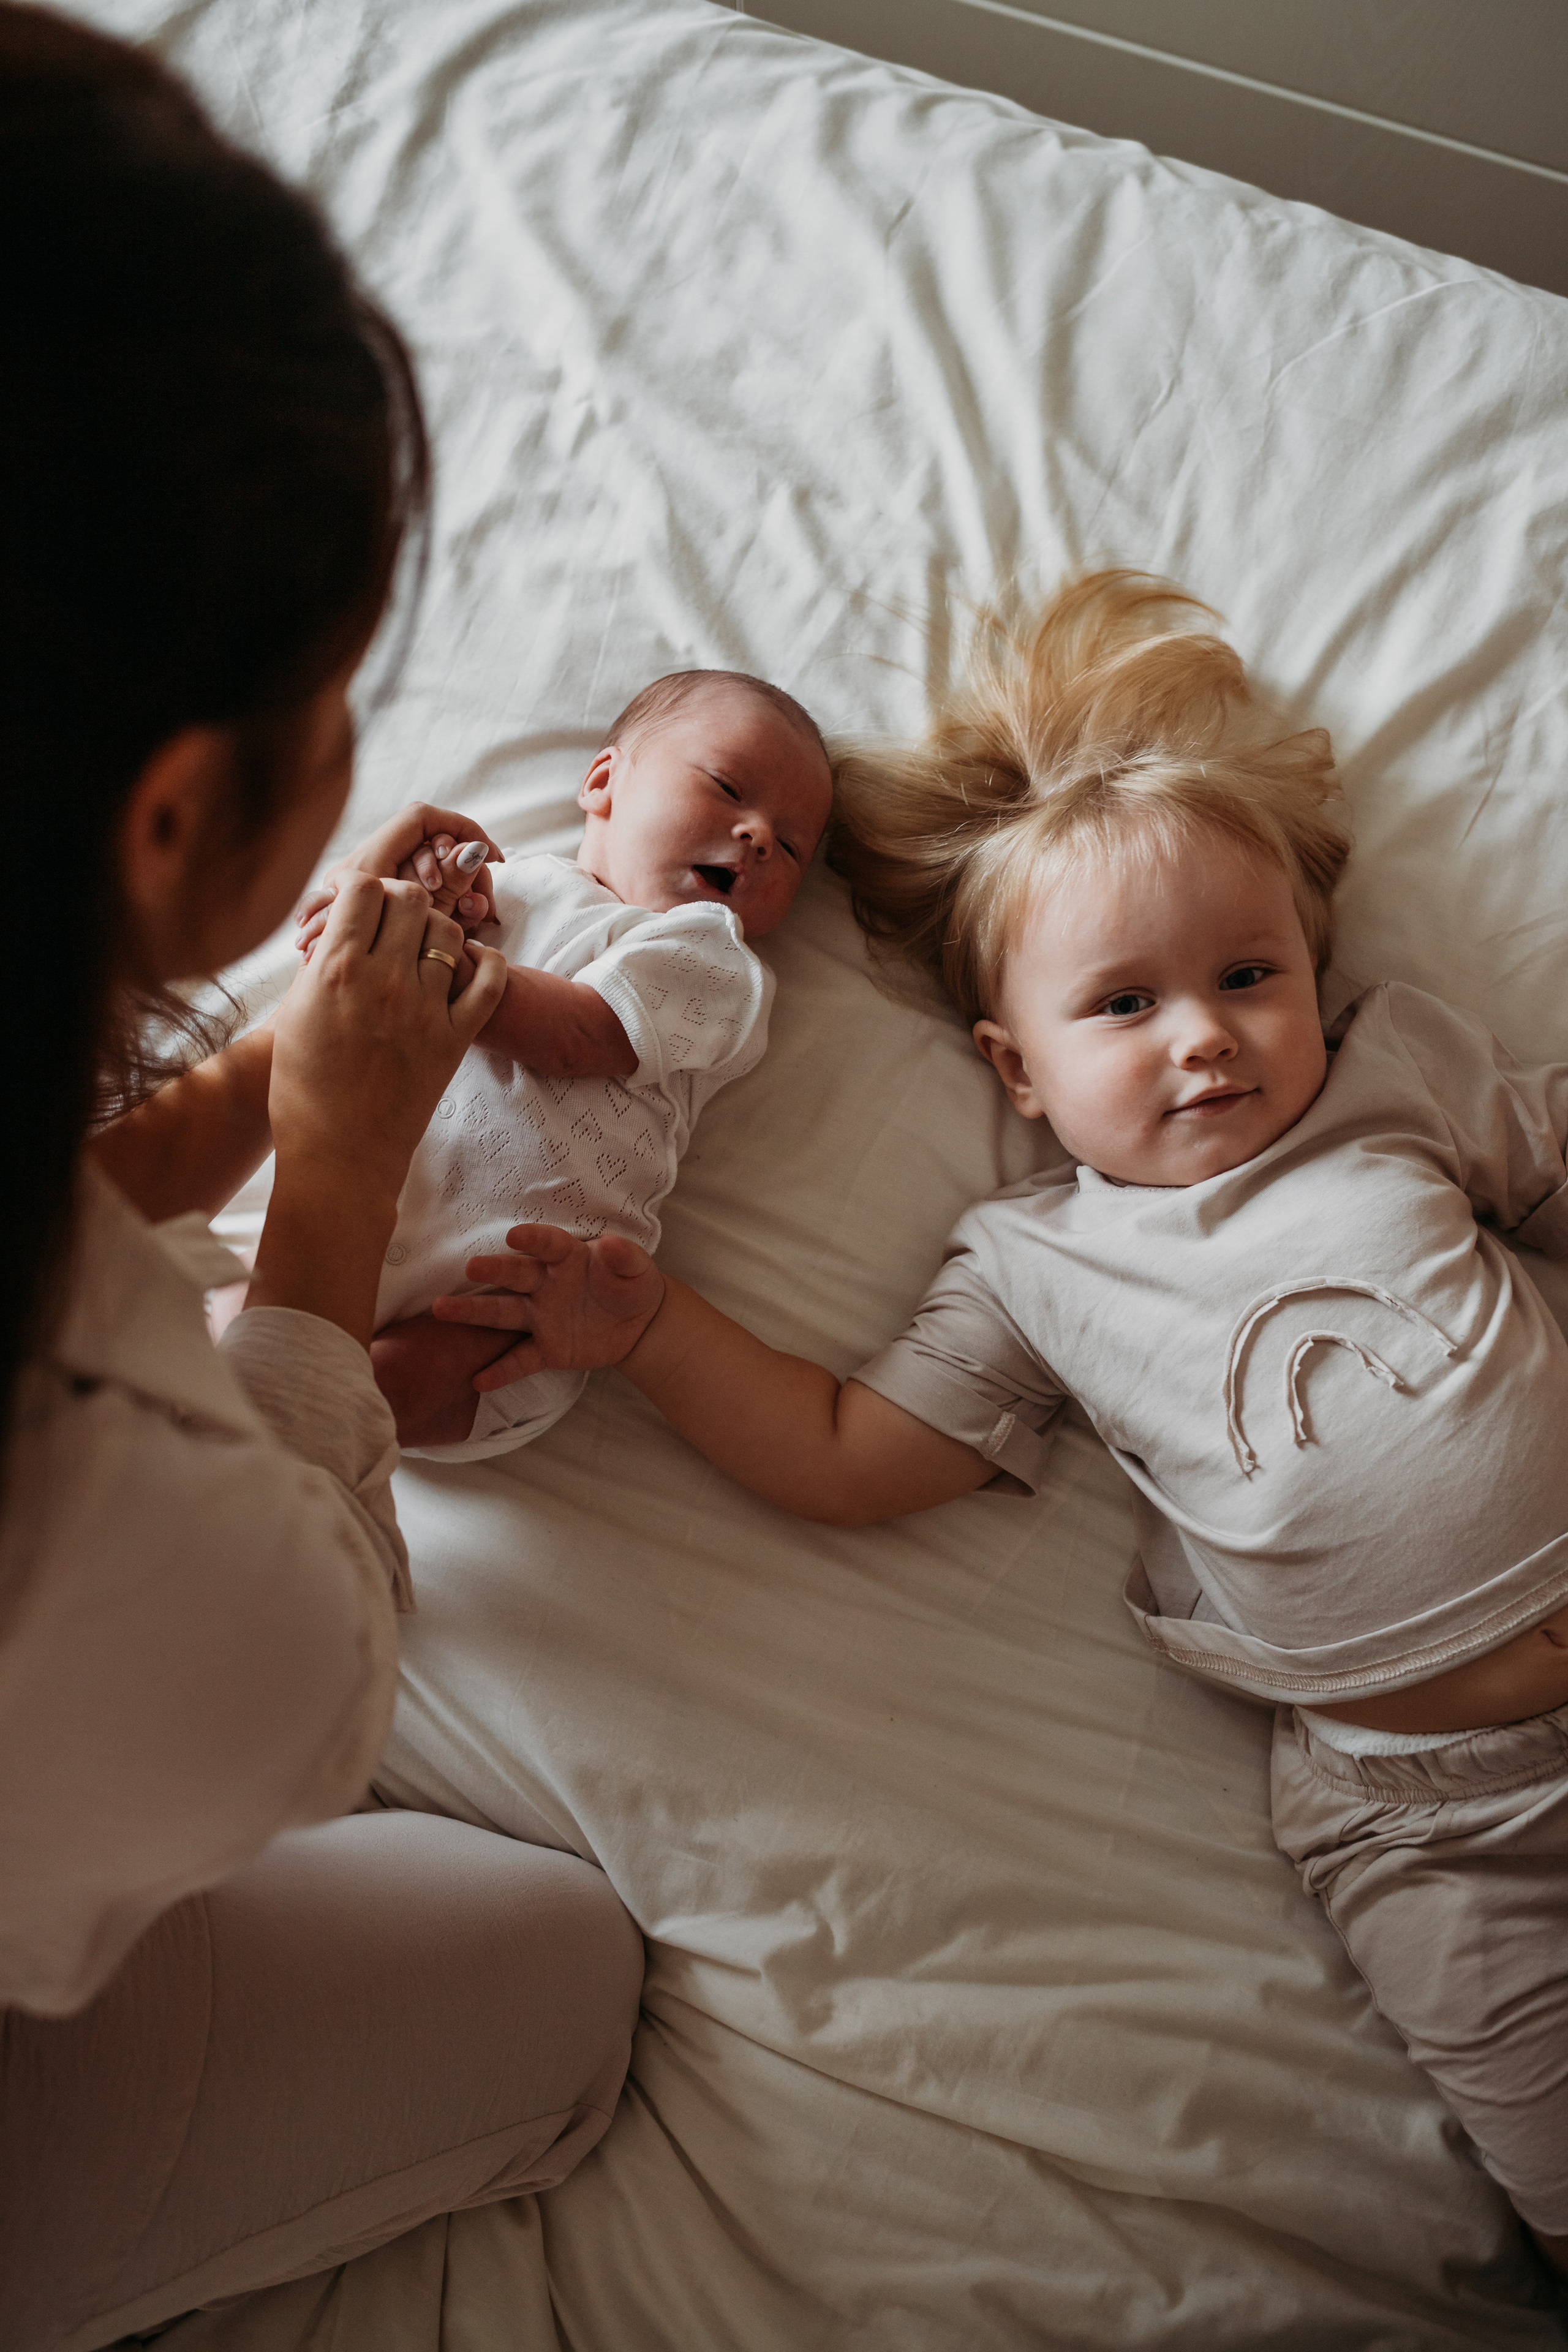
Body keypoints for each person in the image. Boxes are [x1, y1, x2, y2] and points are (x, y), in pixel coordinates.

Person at [415, 571, 1568, 2270]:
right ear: (1014, 1071)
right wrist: (651, 1328)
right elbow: (842, 1449)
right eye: (1122, 1006)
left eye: (1251, 974)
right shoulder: (1035, 1267)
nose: (1204, 1037)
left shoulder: (1401, 1080)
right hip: (1421, 1805)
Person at [0, 14, 642, 2348]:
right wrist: (334, 1181)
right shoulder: (121, 1526)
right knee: (560, 1983)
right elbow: (294, 1684)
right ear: (171, 821)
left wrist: (226, 1104)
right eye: (337, 687)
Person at [311, 668, 832, 1455]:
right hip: (337, 1230)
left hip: (513, 1305)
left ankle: (263, 1473)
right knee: (234, 1330)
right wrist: (412, 903)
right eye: (727, 788)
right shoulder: (508, 885)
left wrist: (420, 957)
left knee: (355, 1398)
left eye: (790, 846)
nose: (758, 835)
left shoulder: (712, 958)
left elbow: (577, 1036)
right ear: (602, 782)